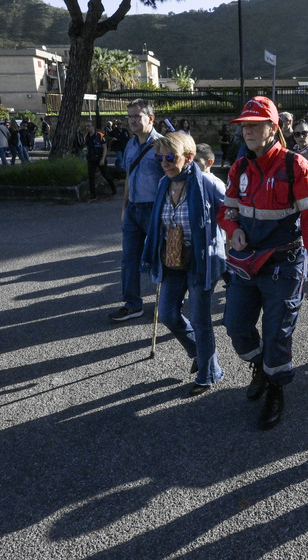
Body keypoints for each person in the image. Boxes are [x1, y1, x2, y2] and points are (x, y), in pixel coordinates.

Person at [217, 96, 308, 430]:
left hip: (284, 265)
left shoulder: (296, 166)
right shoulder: (239, 167)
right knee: (235, 325)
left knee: (277, 334)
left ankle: (276, 390)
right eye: (243, 126)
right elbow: (227, 211)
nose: (247, 131)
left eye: (255, 125)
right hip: (246, 264)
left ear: (273, 127)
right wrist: (233, 228)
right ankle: (261, 368)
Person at [140, 133, 227, 396]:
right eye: (160, 157)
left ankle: (208, 373)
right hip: (172, 259)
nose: (164, 162)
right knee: (167, 313)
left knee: (201, 319)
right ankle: (200, 353)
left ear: (188, 158)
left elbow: (229, 215)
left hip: (201, 260)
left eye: (170, 157)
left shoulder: (209, 184)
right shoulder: (163, 184)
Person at [109, 98, 165, 322]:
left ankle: (168, 302)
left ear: (150, 118)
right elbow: (128, 179)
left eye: (137, 116)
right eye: (129, 116)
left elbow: (172, 180)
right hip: (133, 209)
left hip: (155, 210)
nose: (131, 120)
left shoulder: (163, 145)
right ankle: (133, 304)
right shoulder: (130, 145)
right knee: (129, 259)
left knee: (162, 258)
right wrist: (124, 207)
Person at [84, 120, 116, 201]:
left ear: (93, 126)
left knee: (105, 175)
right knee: (91, 176)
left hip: (100, 158)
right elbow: (88, 147)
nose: (87, 128)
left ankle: (113, 188)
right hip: (91, 159)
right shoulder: (86, 136)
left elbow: (104, 148)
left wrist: (102, 159)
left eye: (89, 126)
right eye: (86, 126)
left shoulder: (100, 135)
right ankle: (93, 194)